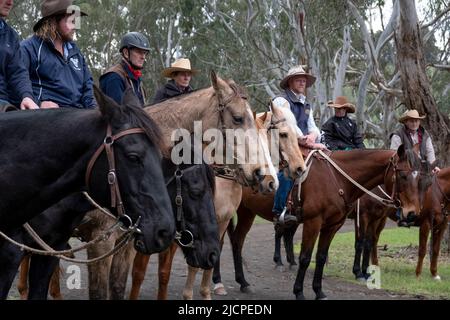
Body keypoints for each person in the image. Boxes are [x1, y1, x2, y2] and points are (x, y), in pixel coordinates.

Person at [271, 65, 324, 225]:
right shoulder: (281, 100)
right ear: (289, 82)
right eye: (298, 80)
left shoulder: (306, 103)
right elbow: (286, 124)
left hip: (303, 144)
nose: (302, 82)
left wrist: (313, 136)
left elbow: (312, 125)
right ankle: (278, 210)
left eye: (304, 80)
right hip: (283, 143)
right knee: (289, 171)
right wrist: (304, 139)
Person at [20, 0, 95, 109]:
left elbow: (88, 88)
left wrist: (95, 111)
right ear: (54, 22)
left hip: (78, 115)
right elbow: (15, 82)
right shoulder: (29, 48)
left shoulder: (76, 53)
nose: (75, 26)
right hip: (49, 117)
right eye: (71, 21)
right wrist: (38, 102)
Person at [390, 109, 440, 226]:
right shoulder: (398, 134)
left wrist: (434, 166)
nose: (414, 123)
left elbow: (430, 152)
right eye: (412, 121)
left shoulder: (424, 134)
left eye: (416, 121)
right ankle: (401, 213)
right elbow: (393, 153)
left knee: (432, 183)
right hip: (404, 168)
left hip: (421, 168)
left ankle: (431, 211)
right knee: (406, 185)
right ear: (406, 122)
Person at [0, 0, 38, 110]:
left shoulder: (11, 35)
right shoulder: (31, 46)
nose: (10, 2)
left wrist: (27, 96)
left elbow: (17, 72)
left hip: (4, 104)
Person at [99, 32, 150, 106]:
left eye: (144, 53)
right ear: (126, 53)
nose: (143, 57)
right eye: (139, 52)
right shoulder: (114, 77)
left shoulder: (135, 77)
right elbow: (118, 114)